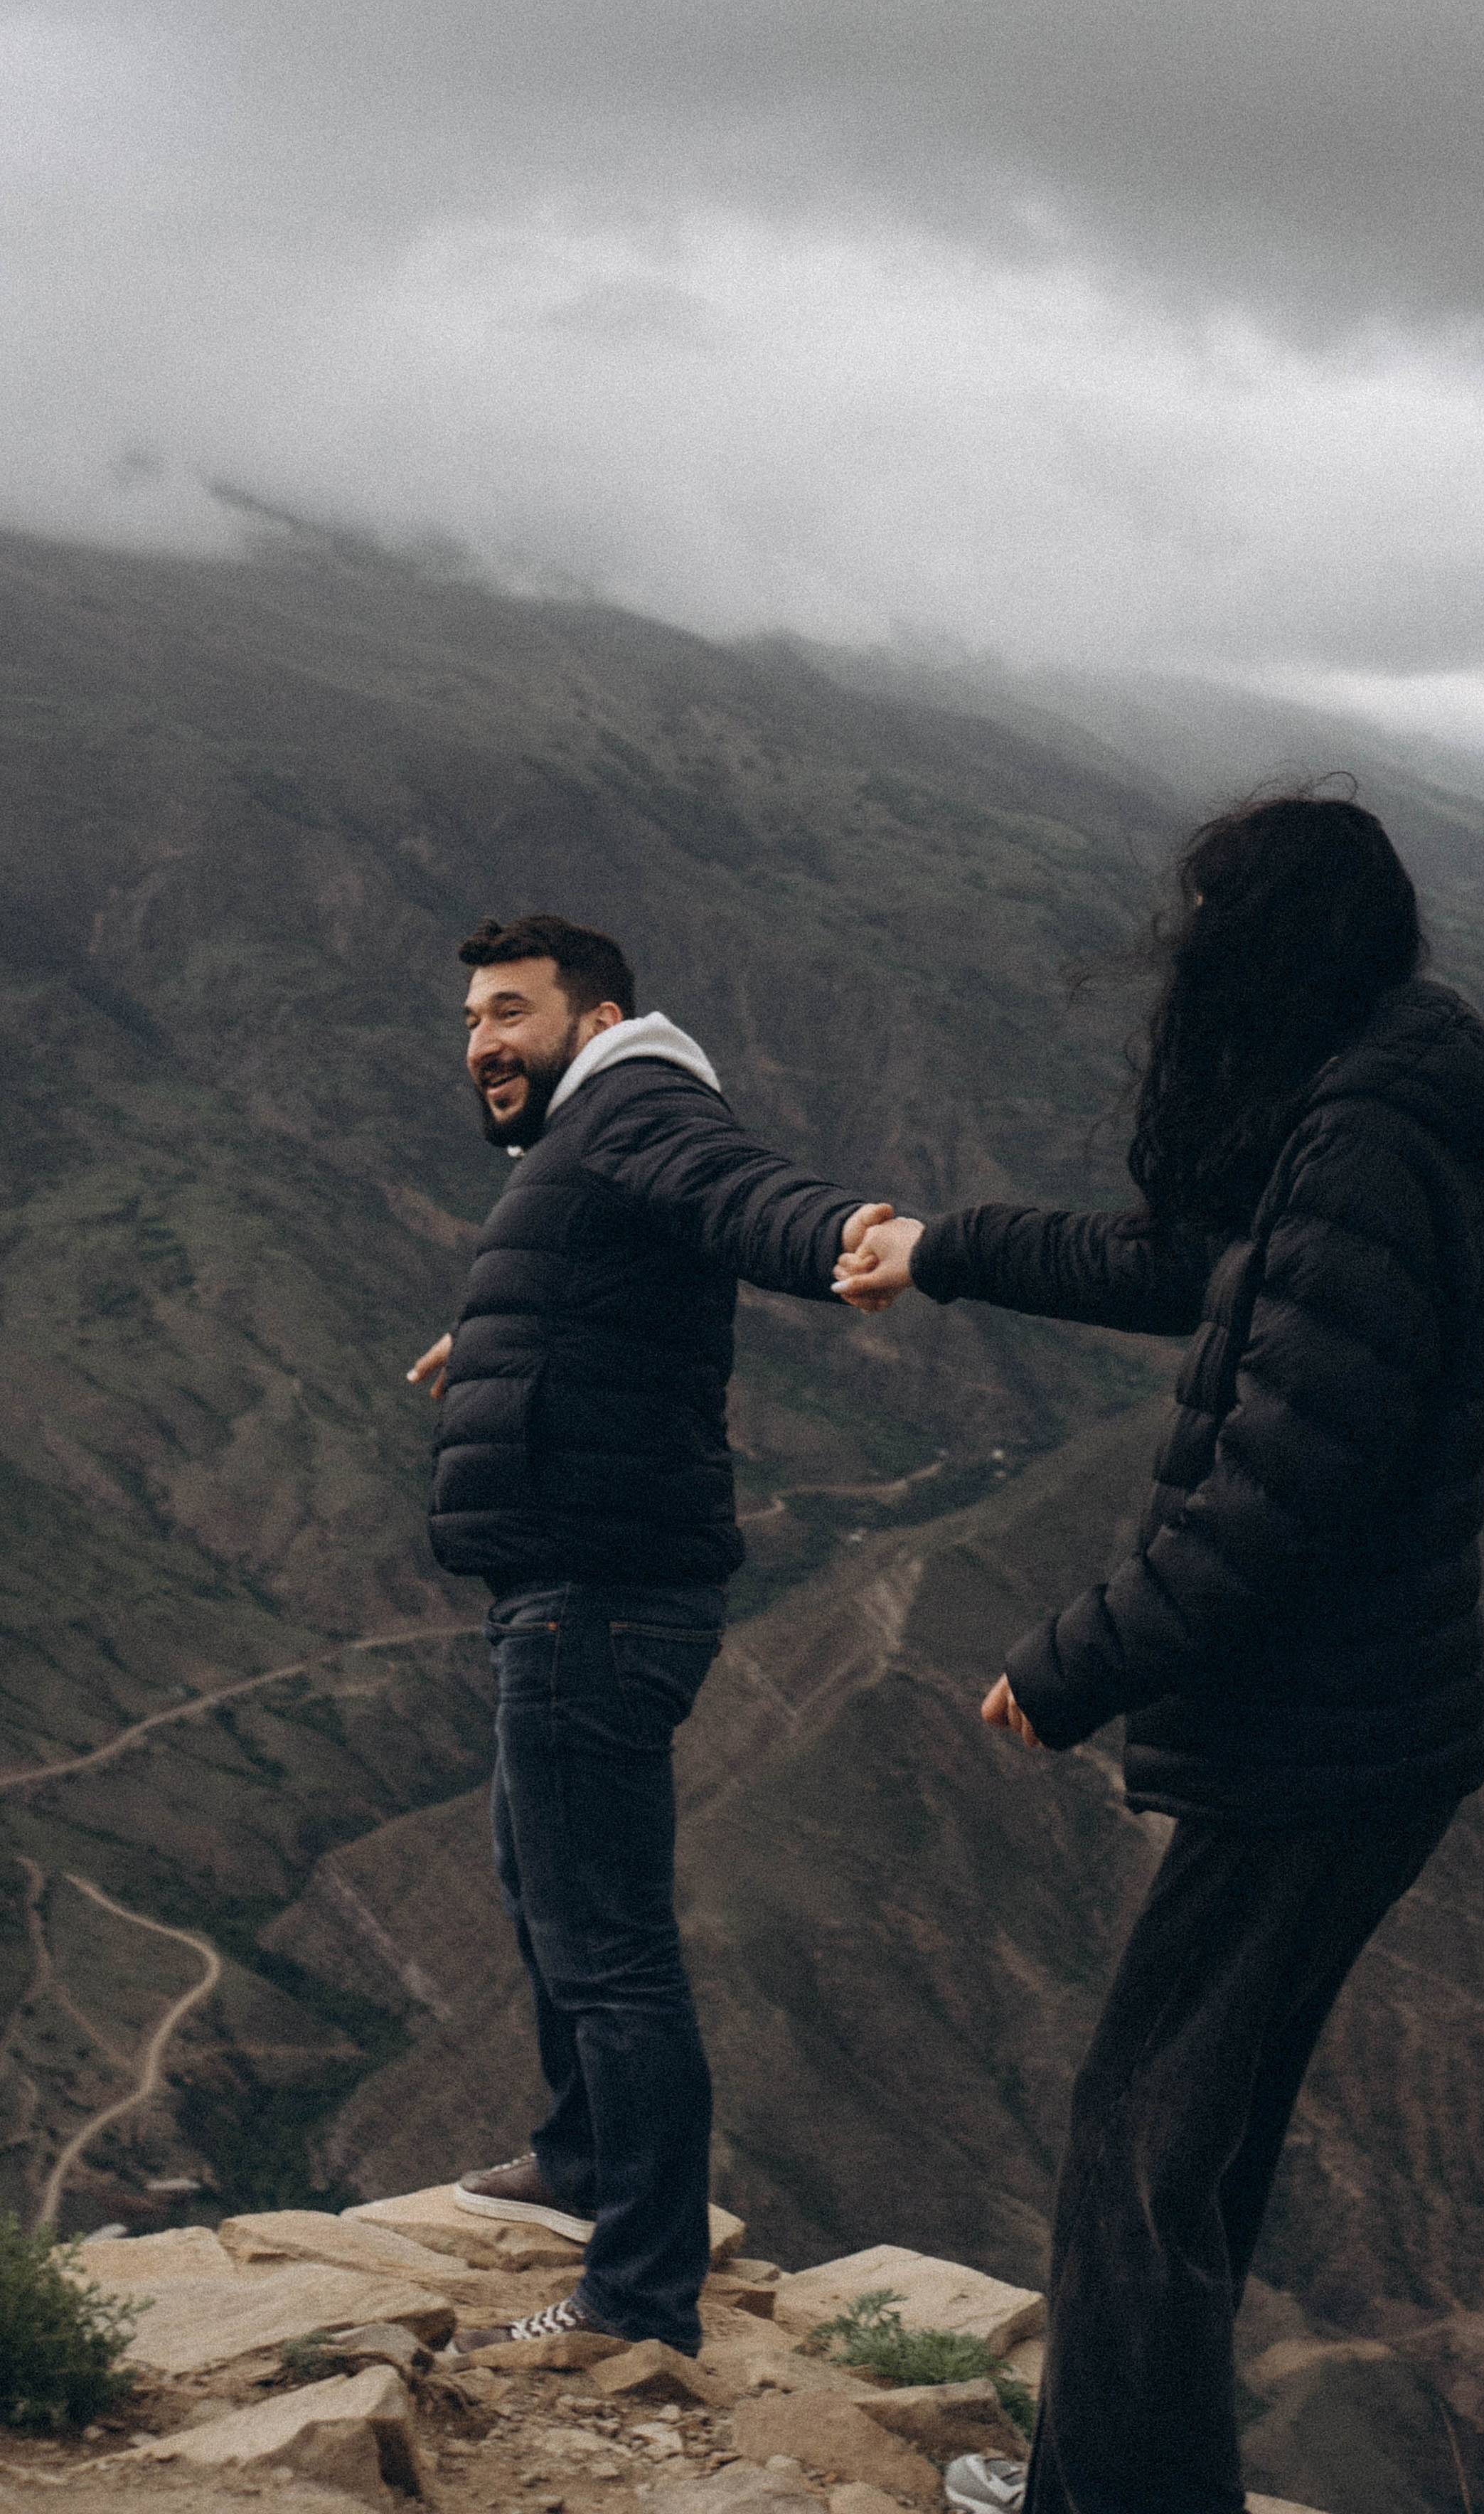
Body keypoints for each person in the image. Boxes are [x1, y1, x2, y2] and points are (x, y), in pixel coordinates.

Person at [834, 797, 1484, 2514]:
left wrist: (1075, 1660)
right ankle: (1101, 2477)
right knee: (1186, 2144)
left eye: (1207, 919)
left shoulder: (1363, 1152)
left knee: (1136, 2148)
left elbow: (1276, 1485)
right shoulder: (1353, 1120)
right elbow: (1188, 1273)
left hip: (1322, 1745)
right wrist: (943, 1250)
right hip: (1360, 1735)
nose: (1181, 953)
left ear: (1267, 941)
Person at [407, 912, 892, 2359]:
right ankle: (580, 2158)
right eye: (473, 1021)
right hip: (571, 1586)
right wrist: (490, 1342)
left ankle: (634, 2299)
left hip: (597, 1595)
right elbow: (615, 1271)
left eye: (511, 1012)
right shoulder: (583, 1130)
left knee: (608, 1946)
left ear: (597, 1015)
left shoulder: (635, 1099)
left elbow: (735, 1195)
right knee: (532, 1877)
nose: (485, 1042)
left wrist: (842, 1238)